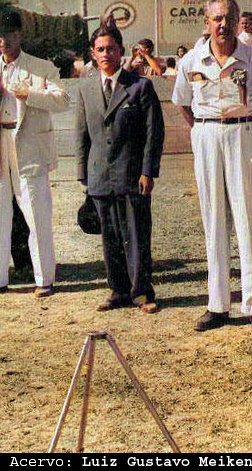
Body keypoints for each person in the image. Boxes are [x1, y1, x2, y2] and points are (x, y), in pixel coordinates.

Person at [173, 0, 252, 333]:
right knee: (214, 219)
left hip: (244, 132)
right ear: (207, 22)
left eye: (229, 18)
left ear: (237, 21)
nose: (223, 24)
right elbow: (183, 103)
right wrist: (206, 130)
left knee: (250, 219)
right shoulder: (191, 60)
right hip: (206, 135)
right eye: (217, 18)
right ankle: (217, 305)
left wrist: (247, 133)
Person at [75, 25, 165, 313]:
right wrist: (83, 174)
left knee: (136, 234)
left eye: (111, 48)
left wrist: (148, 171)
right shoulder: (85, 88)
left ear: (121, 51)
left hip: (132, 174)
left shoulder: (139, 86)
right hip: (100, 174)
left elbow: (153, 133)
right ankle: (118, 290)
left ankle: (141, 292)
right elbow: (81, 134)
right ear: (93, 54)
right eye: (100, 49)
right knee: (110, 237)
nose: (105, 54)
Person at [0, 8, 70, 297]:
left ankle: (44, 279)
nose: (3, 40)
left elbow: (63, 100)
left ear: (19, 35)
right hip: (1, 143)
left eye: (8, 34)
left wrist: (29, 94)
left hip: (29, 147)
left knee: (37, 215)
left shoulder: (41, 67)